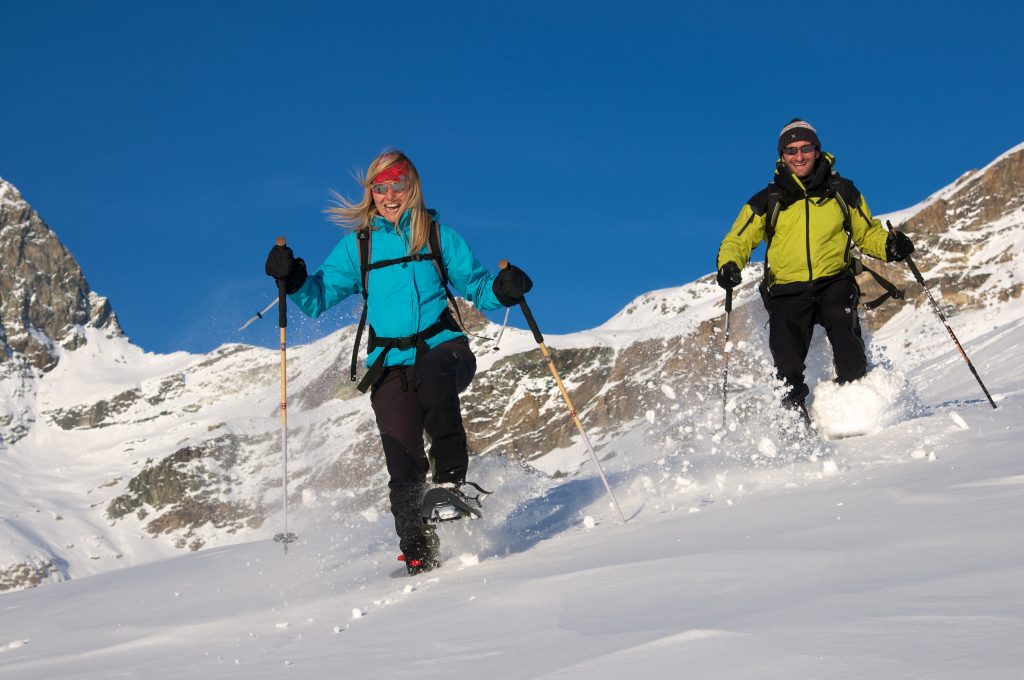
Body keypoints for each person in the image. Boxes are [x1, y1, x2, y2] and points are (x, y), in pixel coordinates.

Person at [265, 150, 532, 575]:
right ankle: (418, 550)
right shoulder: (359, 246)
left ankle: (449, 482)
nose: (390, 195)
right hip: (389, 361)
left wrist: (504, 289)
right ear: (371, 192)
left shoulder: (437, 236)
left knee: (432, 379)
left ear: (413, 187)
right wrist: (293, 279)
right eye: (380, 187)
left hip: (445, 347)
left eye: (399, 185)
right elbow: (316, 299)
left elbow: (479, 287)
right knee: (401, 458)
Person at [715, 119, 914, 420]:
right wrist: (729, 264)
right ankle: (794, 423)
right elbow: (737, 239)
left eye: (805, 148)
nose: (799, 156)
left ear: (817, 151)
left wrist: (890, 246)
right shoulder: (768, 199)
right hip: (786, 290)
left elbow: (867, 232)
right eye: (791, 150)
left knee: (840, 320)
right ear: (781, 156)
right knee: (786, 356)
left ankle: (856, 400)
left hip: (833, 280)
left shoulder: (841, 191)